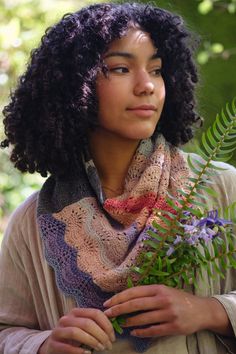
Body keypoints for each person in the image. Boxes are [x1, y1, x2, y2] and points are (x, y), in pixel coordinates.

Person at [0, 2, 236, 354]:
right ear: (73, 86)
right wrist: (44, 344)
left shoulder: (220, 187)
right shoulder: (32, 224)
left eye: (156, 70)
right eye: (122, 68)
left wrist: (211, 310)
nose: (147, 86)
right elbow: (6, 331)